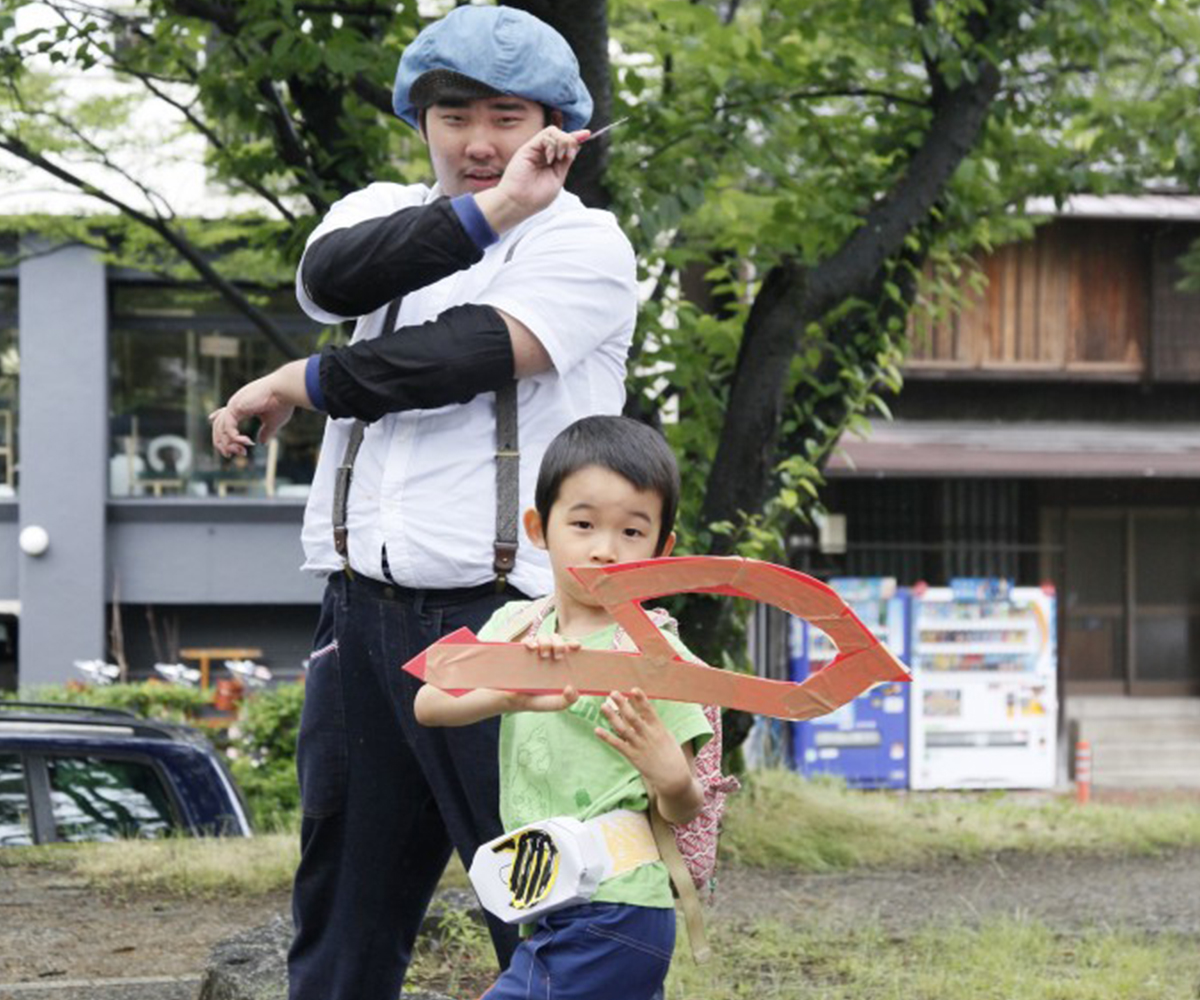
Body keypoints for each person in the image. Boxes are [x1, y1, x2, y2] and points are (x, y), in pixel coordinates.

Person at [208, 7, 638, 1000]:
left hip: (513, 626)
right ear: (420, 119)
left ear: (556, 124)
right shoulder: (375, 210)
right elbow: (330, 277)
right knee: (340, 916)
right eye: (453, 114)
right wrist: (487, 212)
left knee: (544, 913)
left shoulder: (587, 246)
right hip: (357, 618)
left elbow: (451, 360)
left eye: (506, 113)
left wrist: (296, 383)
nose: (480, 141)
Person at [415, 415, 712, 1000]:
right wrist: (509, 689)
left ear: (663, 549)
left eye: (632, 532)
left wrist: (668, 770)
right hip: (546, 899)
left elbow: (682, 806)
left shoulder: (656, 654)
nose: (604, 550)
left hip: (619, 907)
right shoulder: (514, 623)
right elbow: (427, 701)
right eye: (582, 524)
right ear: (538, 528)